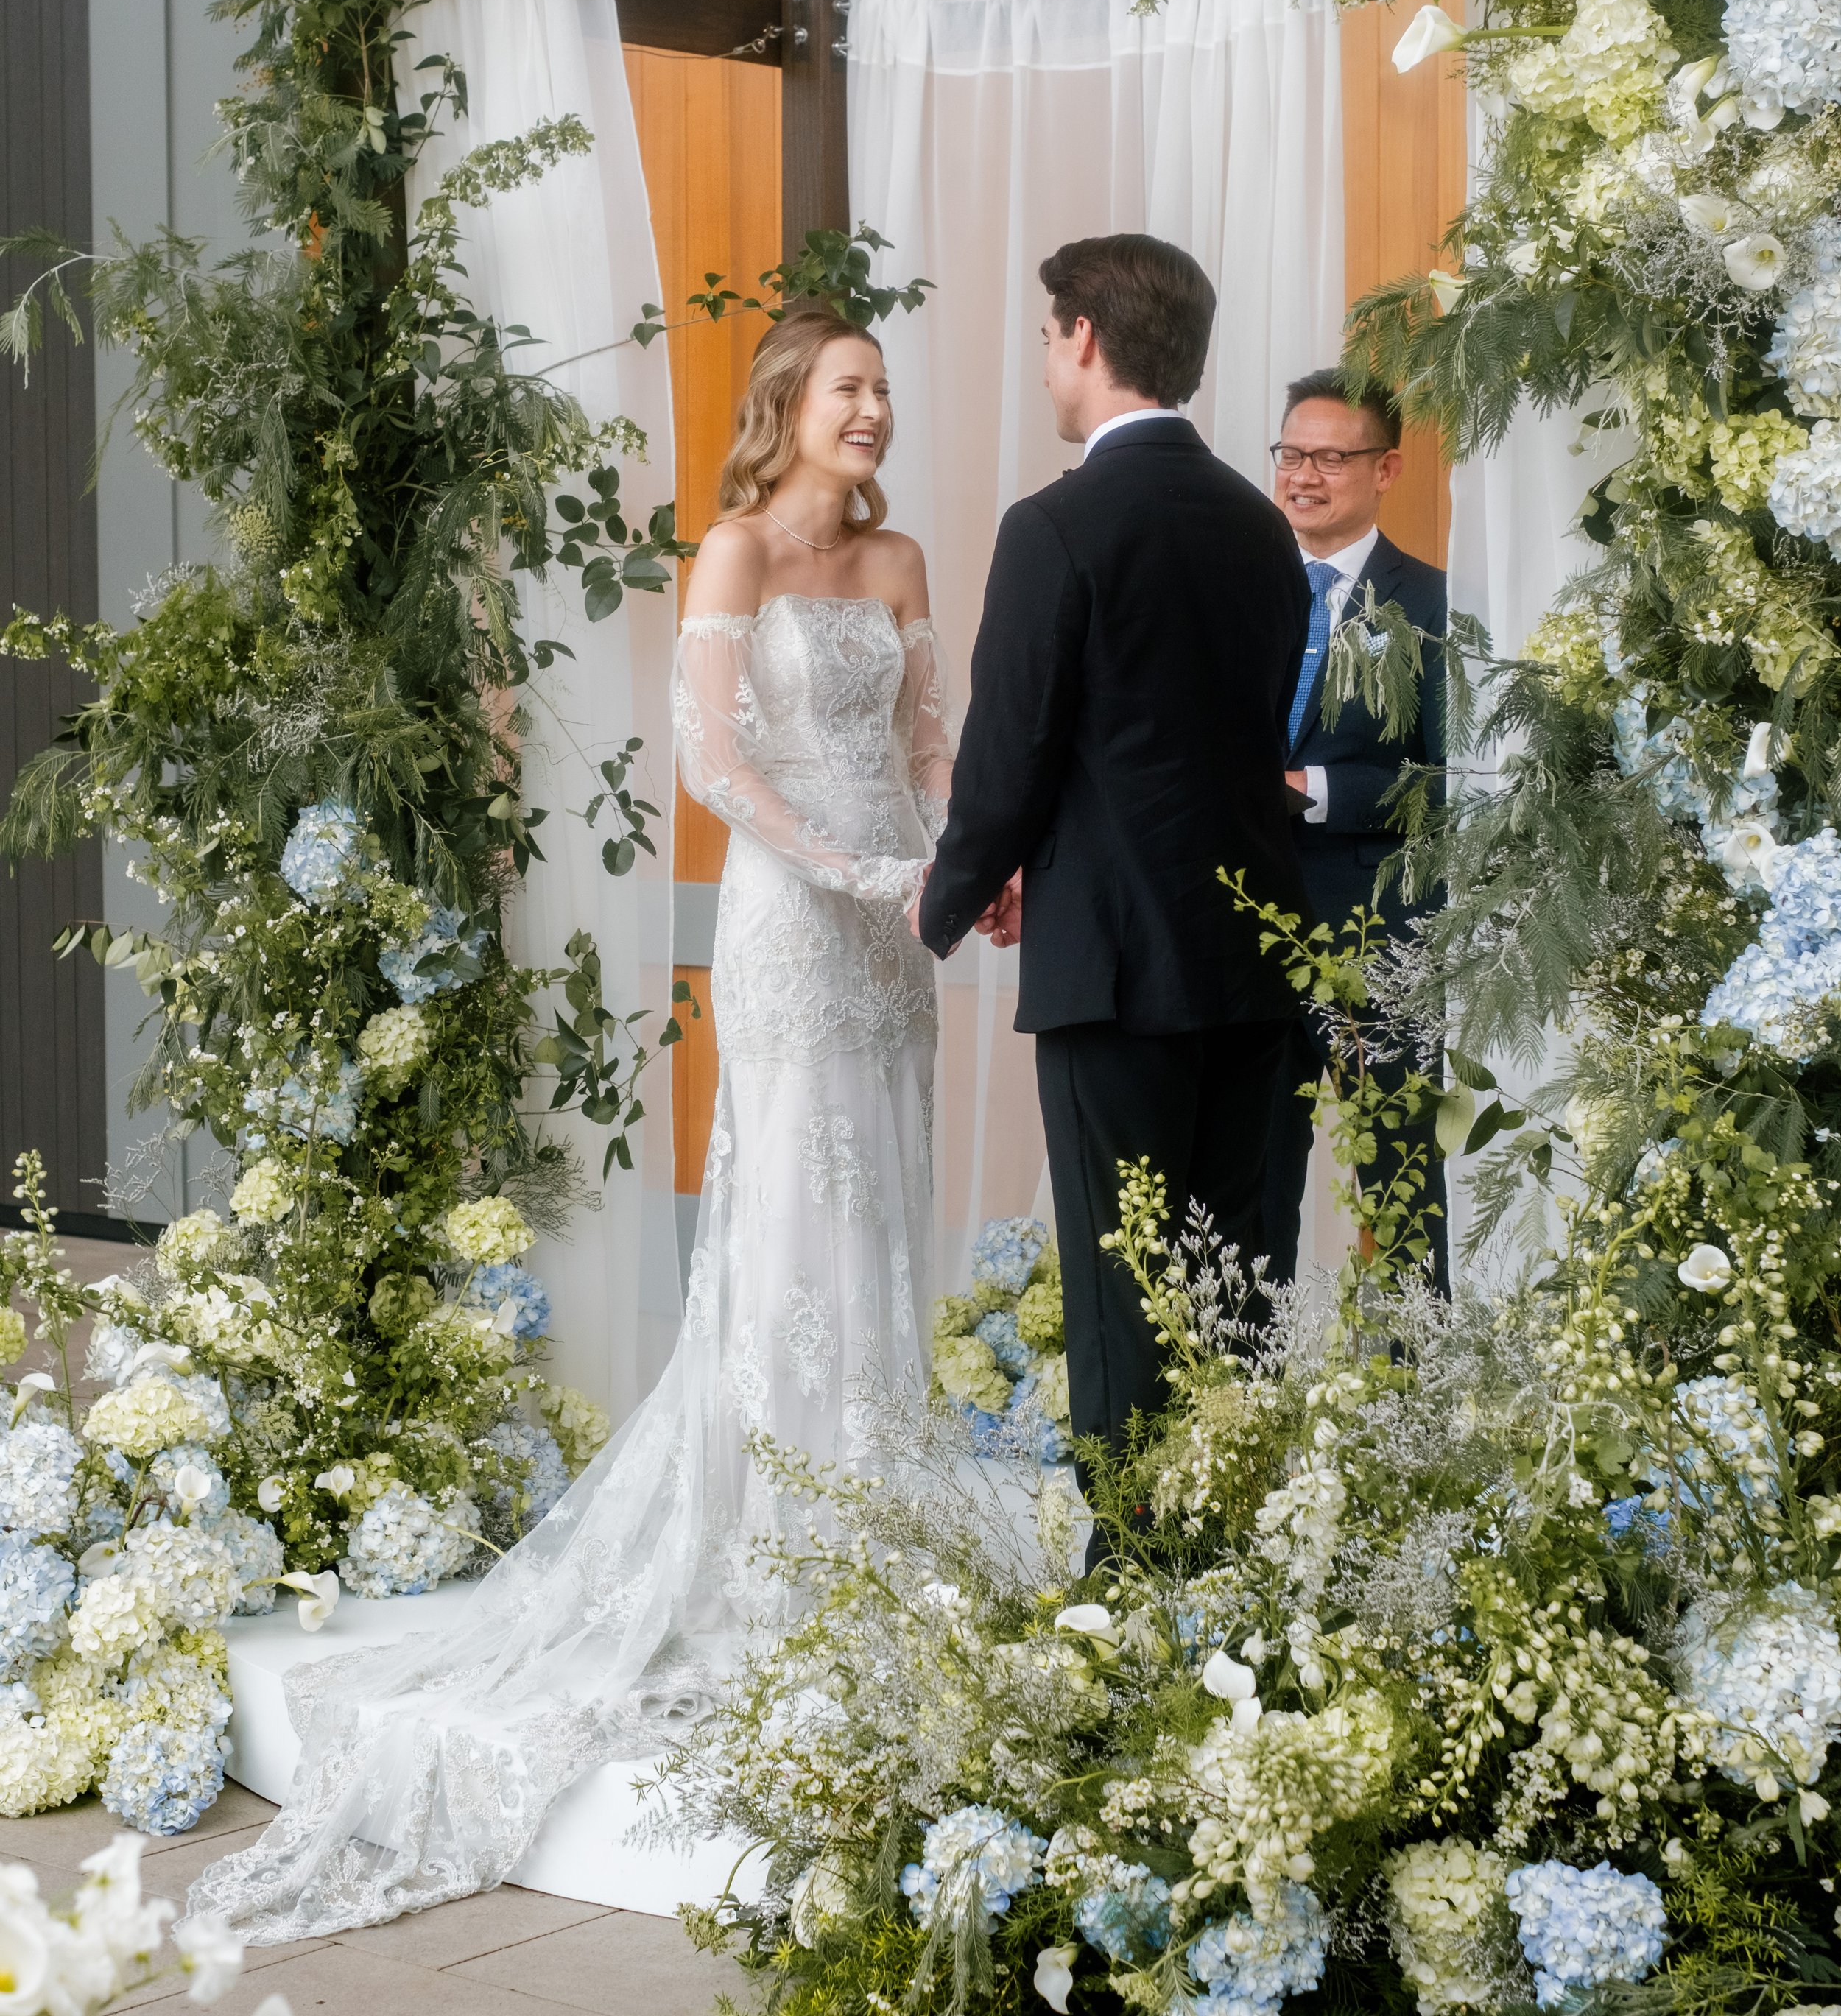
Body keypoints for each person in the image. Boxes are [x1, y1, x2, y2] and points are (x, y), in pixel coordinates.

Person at [191, 303, 950, 1942]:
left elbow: (921, 741)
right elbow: (708, 762)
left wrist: (945, 860)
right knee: (793, 1214)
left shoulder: (897, 569)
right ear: (787, 407)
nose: (873, 408)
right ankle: (783, 1538)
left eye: (884, 388)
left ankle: (882, 1504)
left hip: (897, 927)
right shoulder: (733, 548)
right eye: (848, 386)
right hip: (790, 914)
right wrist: (849, 867)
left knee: (885, 1195)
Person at [915, 234, 1309, 1546]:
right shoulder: (1263, 526)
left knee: (1123, 1285)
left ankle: (1136, 1580)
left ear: (1084, 335)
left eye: (1045, 336)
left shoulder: (1058, 525)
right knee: (1231, 1276)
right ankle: (1230, 1564)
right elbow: (1222, 737)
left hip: (1116, 964)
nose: (1043, 361)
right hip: (1254, 962)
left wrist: (948, 896)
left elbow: (1012, 751)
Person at [1259, 367, 1448, 1291]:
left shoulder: (1433, 603)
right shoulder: (1232, 592)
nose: (1305, 474)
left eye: (1332, 456)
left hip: (1381, 935)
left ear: (1386, 468)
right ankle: (1245, 1411)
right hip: (1247, 931)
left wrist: (1314, 787)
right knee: (1249, 1185)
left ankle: (1413, 1409)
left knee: (1402, 1189)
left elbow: (1449, 781)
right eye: (1292, 453)